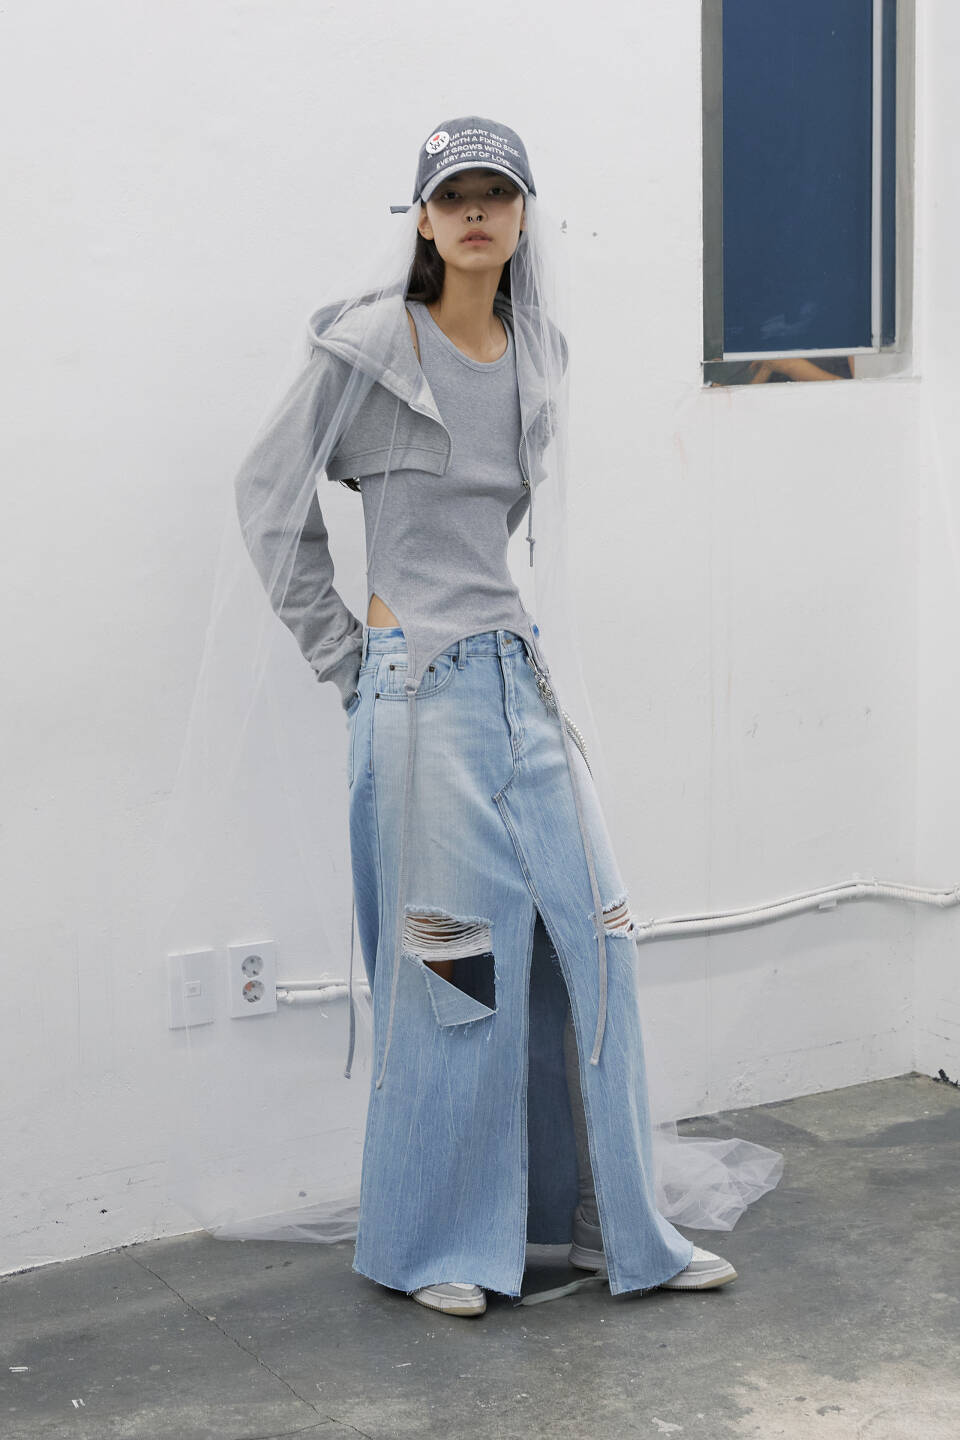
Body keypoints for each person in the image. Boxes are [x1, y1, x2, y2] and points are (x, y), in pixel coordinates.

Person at [231, 116, 783, 1318]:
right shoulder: (366, 348)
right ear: (424, 221)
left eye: (497, 192)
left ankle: (597, 1222)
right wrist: (349, 657)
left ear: (524, 216)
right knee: (456, 964)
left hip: (518, 682)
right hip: (416, 697)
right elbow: (267, 498)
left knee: (599, 940)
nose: (476, 211)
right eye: (454, 195)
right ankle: (441, 1240)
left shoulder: (541, 352)